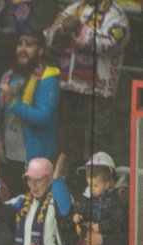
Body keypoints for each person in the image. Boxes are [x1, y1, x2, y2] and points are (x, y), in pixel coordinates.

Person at [43, 0, 130, 173]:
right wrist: (63, 30)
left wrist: (78, 28)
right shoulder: (75, 8)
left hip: (100, 95)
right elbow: (49, 36)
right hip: (71, 91)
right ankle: (70, 188)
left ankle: (100, 192)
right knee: (69, 143)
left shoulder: (117, 16)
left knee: (99, 145)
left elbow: (111, 44)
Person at [0, 29, 59, 196]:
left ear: (40, 50)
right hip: (6, 156)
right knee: (8, 206)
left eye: (29, 45)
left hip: (34, 159)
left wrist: (13, 103)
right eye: (20, 44)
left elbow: (43, 118)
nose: (23, 49)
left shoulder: (48, 79)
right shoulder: (9, 75)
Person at [0, 154, 73, 245]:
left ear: (49, 179)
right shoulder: (21, 201)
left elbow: (65, 211)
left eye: (38, 180)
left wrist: (58, 181)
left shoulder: (58, 199)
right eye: (30, 179)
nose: (33, 185)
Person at [70, 152, 127, 245]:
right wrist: (77, 214)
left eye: (95, 185)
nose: (91, 189)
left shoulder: (114, 201)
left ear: (107, 184)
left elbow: (117, 220)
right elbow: (80, 206)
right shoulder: (86, 197)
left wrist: (101, 227)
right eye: (89, 185)